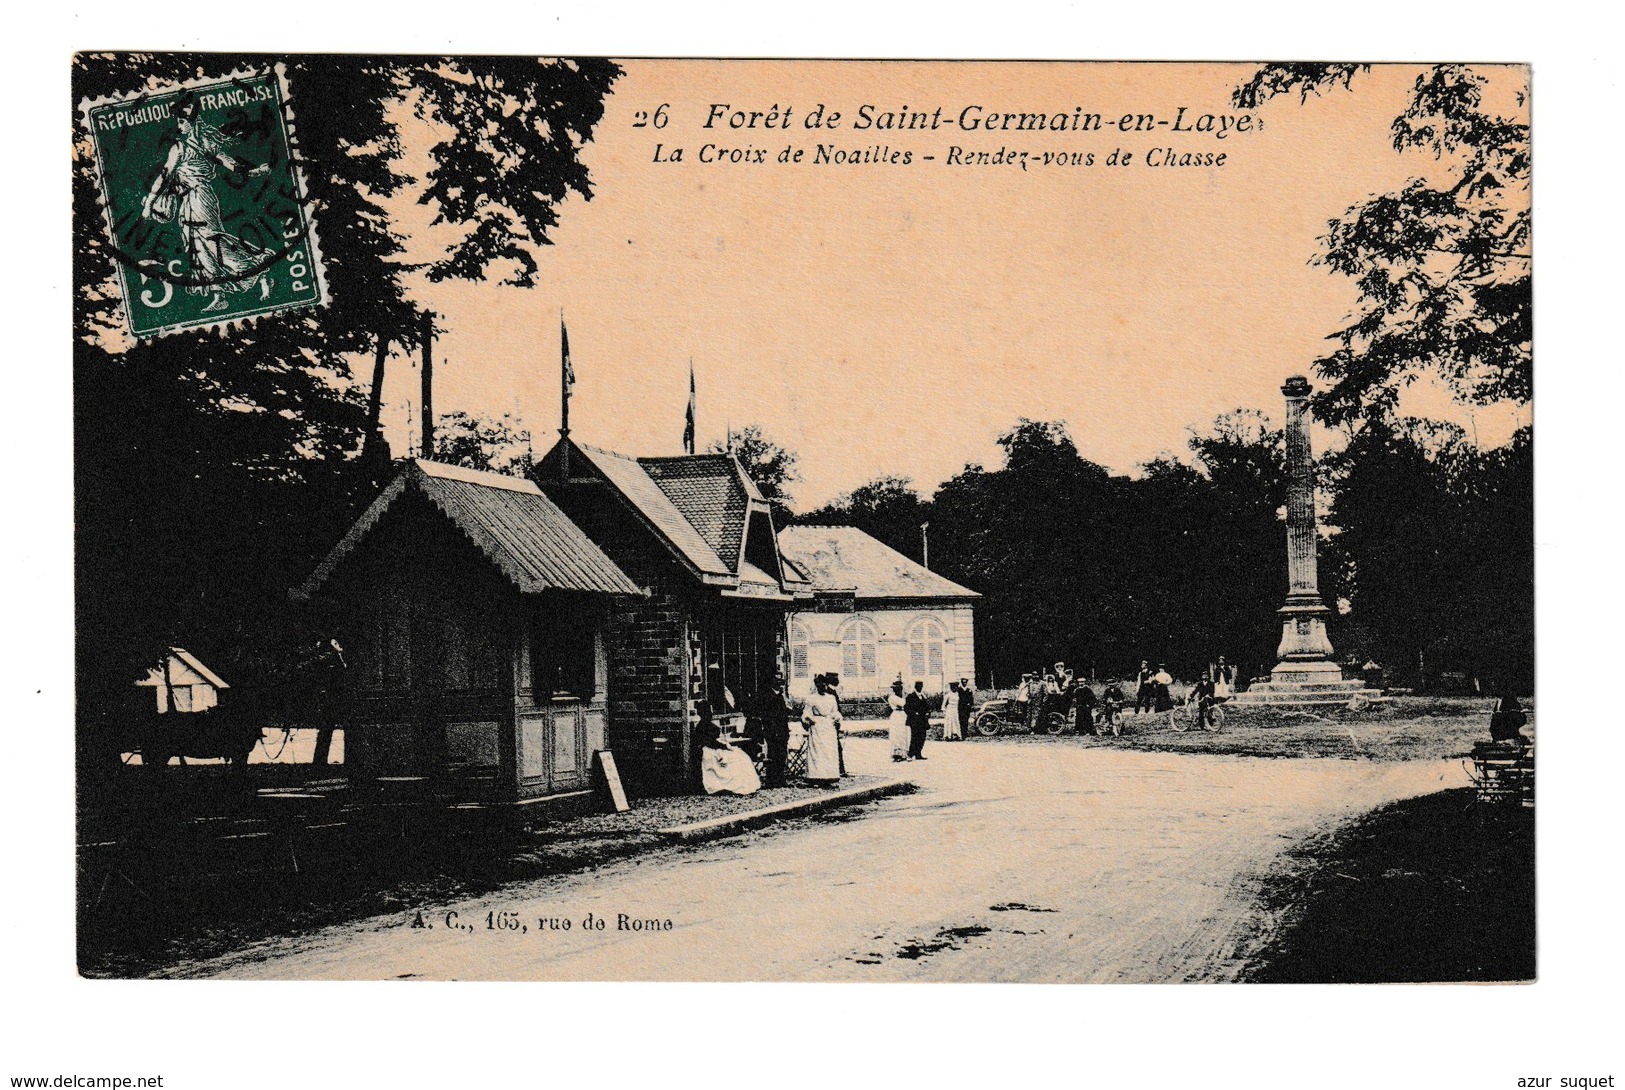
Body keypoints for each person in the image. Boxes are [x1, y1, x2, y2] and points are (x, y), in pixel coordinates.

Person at [141, 91, 275, 313]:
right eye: (178, 121)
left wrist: (148, 204)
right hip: (192, 200)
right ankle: (221, 294)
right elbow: (231, 164)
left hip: (198, 199)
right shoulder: (200, 143)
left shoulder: (183, 147)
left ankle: (257, 267)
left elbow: (164, 176)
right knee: (199, 246)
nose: (179, 125)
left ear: (193, 123)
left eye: (182, 121)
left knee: (210, 242)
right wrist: (254, 171)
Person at [698, 718, 762, 796]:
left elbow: (715, 742)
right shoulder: (703, 727)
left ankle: (746, 782)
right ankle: (738, 783)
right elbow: (711, 744)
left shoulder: (706, 725)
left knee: (740, 756)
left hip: (716, 749)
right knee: (735, 759)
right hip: (712, 752)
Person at [799, 674, 844, 785]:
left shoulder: (831, 698)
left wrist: (837, 718)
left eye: (824, 684)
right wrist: (811, 720)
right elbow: (806, 712)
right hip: (817, 726)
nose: (822, 686)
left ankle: (829, 775)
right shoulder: (811, 698)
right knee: (817, 751)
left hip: (829, 726)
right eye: (820, 684)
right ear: (816, 685)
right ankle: (816, 775)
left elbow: (835, 711)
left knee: (829, 751)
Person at [751, 672, 793, 787]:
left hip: (782, 729)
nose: (779, 684)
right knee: (773, 755)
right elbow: (767, 713)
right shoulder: (767, 696)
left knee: (782, 755)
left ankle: (780, 778)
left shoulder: (781, 696)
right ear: (772, 683)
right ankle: (772, 780)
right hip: (772, 730)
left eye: (781, 681)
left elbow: (787, 710)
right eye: (777, 681)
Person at [904, 680, 932, 760]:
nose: (920, 688)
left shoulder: (923, 697)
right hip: (914, 721)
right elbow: (907, 708)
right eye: (918, 686)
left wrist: (928, 713)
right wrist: (914, 714)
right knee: (914, 738)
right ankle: (910, 754)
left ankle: (918, 754)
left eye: (921, 686)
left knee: (922, 737)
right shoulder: (910, 696)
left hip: (923, 721)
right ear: (915, 687)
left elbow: (927, 708)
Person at [886, 677, 909, 762]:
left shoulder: (901, 697)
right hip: (896, 715)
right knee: (896, 734)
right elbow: (903, 704)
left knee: (903, 733)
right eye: (897, 689)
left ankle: (903, 753)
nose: (899, 690)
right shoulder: (892, 697)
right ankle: (897, 753)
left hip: (903, 715)